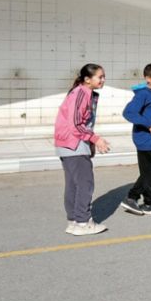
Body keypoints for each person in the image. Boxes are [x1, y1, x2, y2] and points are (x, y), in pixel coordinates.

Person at [54, 63, 111, 235]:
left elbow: (82, 123)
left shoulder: (83, 92)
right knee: (85, 184)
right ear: (87, 79)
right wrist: (96, 139)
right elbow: (76, 124)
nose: (103, 80)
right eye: (99, 77)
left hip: (71, 145)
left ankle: (74, 221)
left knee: (74, 185)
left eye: (103, 76)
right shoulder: (81, 93)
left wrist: (90, 143)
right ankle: (83, 222)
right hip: (73, 145)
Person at [121, 63, 151, 216]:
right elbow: (128, 112)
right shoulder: (143, 94)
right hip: (146, 141)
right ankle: (148, 203)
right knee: (150, 174)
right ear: (148, 78)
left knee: (150, 173)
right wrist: (148, 124)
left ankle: (135, 198)